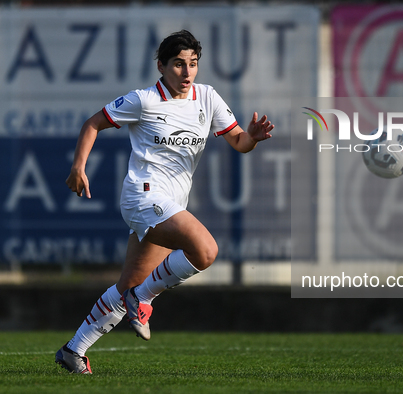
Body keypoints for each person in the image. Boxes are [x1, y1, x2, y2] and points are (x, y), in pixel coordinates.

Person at [55, 30, 273, 374]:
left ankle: (73, 350)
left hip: (171, 202)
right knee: (205, 251)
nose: (187, 73)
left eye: (193, 64)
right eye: (178, 65)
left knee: (127, 285)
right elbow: (93, 123)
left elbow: (238, 141)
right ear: (161, 66)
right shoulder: (143, 100)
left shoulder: (207, 98)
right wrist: (78, 166)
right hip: (142, 195)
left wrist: (253, 139)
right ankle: (144, 298)